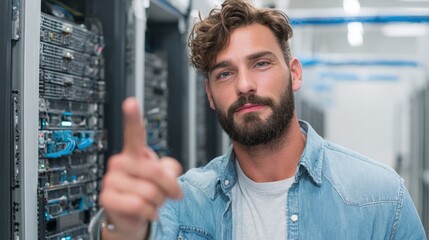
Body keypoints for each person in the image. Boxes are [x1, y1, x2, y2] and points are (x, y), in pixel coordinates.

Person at [90, 0, 427, 239]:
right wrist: (123, 230)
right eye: (224, 73)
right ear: (209, 95)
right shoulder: (182, 202)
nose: (244, 85)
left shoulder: (381, 197)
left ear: (294, 74)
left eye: (261, 63)